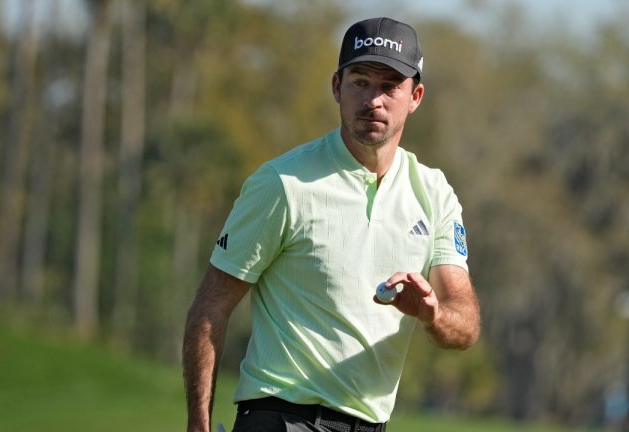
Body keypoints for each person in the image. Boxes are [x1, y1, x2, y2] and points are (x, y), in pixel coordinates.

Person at [183, 17, 480, 432]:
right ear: (337, 87)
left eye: (389, 86)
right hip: (281, 416)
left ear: (415, 96)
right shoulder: (282, 183)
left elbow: (463, 325)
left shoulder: (434, 193)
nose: (373, 99)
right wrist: (199, 423)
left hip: (369, 423)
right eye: (360, 81)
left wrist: (432, 315)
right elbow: (211, 307)